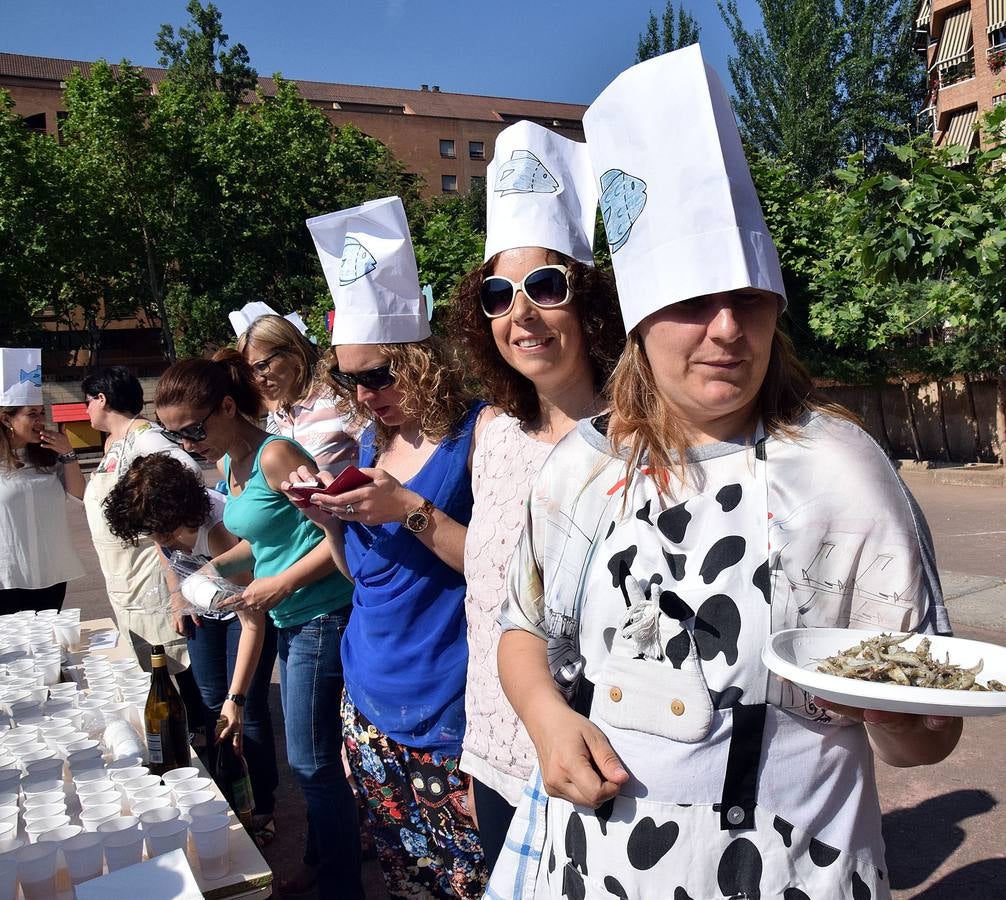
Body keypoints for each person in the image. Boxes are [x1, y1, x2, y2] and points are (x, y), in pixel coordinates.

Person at [488, 46, 959, 900]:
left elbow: (930, 735)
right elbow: (522, 630)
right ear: (639, 322)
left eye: (748, 301)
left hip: (791, 875)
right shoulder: (583, 469)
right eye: (690, 304)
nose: (726, 330)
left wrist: (899, 719)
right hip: (596, 872)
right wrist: (548, 718)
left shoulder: (846, 472)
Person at [290, 197, 490, 899]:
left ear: (420, 357)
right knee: (406, 885)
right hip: (369, 705)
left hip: (447, 714)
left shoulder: (480, 436)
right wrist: (327, 519)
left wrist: (408, 508)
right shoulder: (376, 442)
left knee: (469, 885)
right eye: (350, 378)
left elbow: (502, 573)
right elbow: (362, 580)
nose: (365, 392)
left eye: (379, 374)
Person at [448, 121, 624, 869]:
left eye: (544, 287)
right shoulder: (491, 432)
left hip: (592, 753)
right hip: (491, 744)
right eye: (497, 295)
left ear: (585, 301)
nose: (520, 314)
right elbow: (487, 584)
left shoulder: (635, 438)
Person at [153, 351, 362, 900]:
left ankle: (343, 884)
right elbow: (261, 543)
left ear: (226, 406)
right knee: (317, 761)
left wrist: (285, 583)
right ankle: (324, 861)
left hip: (323, 613)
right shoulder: (228, 464)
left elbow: (333, 532)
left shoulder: (277, 454)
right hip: (291, 617)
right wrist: (208, 571)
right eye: (174, 437)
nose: (188, 444)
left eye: (192, 430)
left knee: (312, 763)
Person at [101, 453, 279, 843]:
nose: (158, 539)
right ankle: (231, 791)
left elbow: (254, 618)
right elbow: (167, 557)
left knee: (245, 711)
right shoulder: (163, 525)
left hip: (245, 616)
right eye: (151, 532)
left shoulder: (217, 530)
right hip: (207, 606)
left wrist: (238, 695)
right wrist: (178, 596)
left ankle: (262, 804)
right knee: (213, 706)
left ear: (182, 508)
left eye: (161, 531)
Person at [81, 365, 200, 682]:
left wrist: (168, 538)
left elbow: (188, 478)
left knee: (174, 661)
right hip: (123, 575)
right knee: (151, 662)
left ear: (102, 399)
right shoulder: (113, 443)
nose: (86, 409)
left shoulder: (146, 439)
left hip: (150, 573)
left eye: (87, 401)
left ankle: (194, 728)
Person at [0, 348, 85, 612]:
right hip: (6, 576)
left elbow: (79, 496)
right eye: (31, 414)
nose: (40, 421)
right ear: (6, 419)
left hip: (50, 572)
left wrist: (68, 454)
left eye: (41, 413)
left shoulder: (50, 458)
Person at [235, 311, 358, 476]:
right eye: (249, 372)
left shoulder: (337, 399)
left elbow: (378, 456)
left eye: (262, 366)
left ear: (294, 354)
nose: (257, 379)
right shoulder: (278, 414)